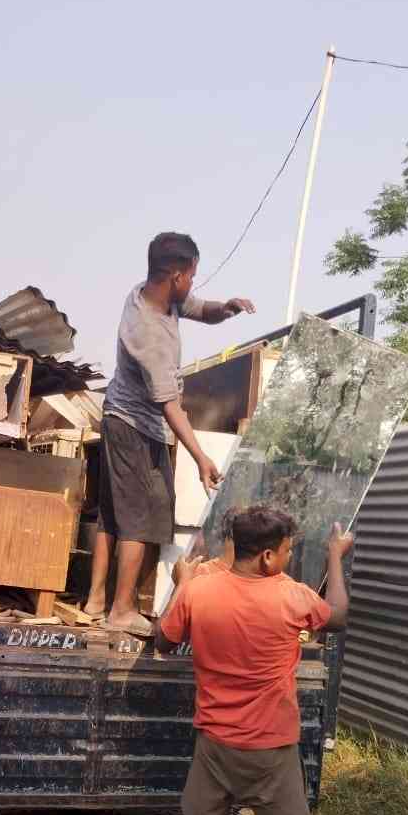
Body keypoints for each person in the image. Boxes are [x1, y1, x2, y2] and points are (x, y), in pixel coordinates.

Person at [156, 505, 353, 815]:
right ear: (267, 556)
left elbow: (162, 640)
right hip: (272, 751)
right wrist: (335, 555)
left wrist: (182, 579)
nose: (288, 557)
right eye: (287, 550)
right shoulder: (292, 597)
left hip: (215, 747)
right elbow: (340, 617)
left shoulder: (200, 589)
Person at [84, 232, 255, 636]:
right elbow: (169, 405)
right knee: (139, 518)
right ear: (177, 275)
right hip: (134, 425)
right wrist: (201, 457)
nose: (193, 284)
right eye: (192, 276)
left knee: (114, 514)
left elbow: (200, 309)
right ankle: (121, 609)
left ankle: (94, 601)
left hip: (122, 417)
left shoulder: (151, 292)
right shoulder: (149, 333)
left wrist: (226, 308)